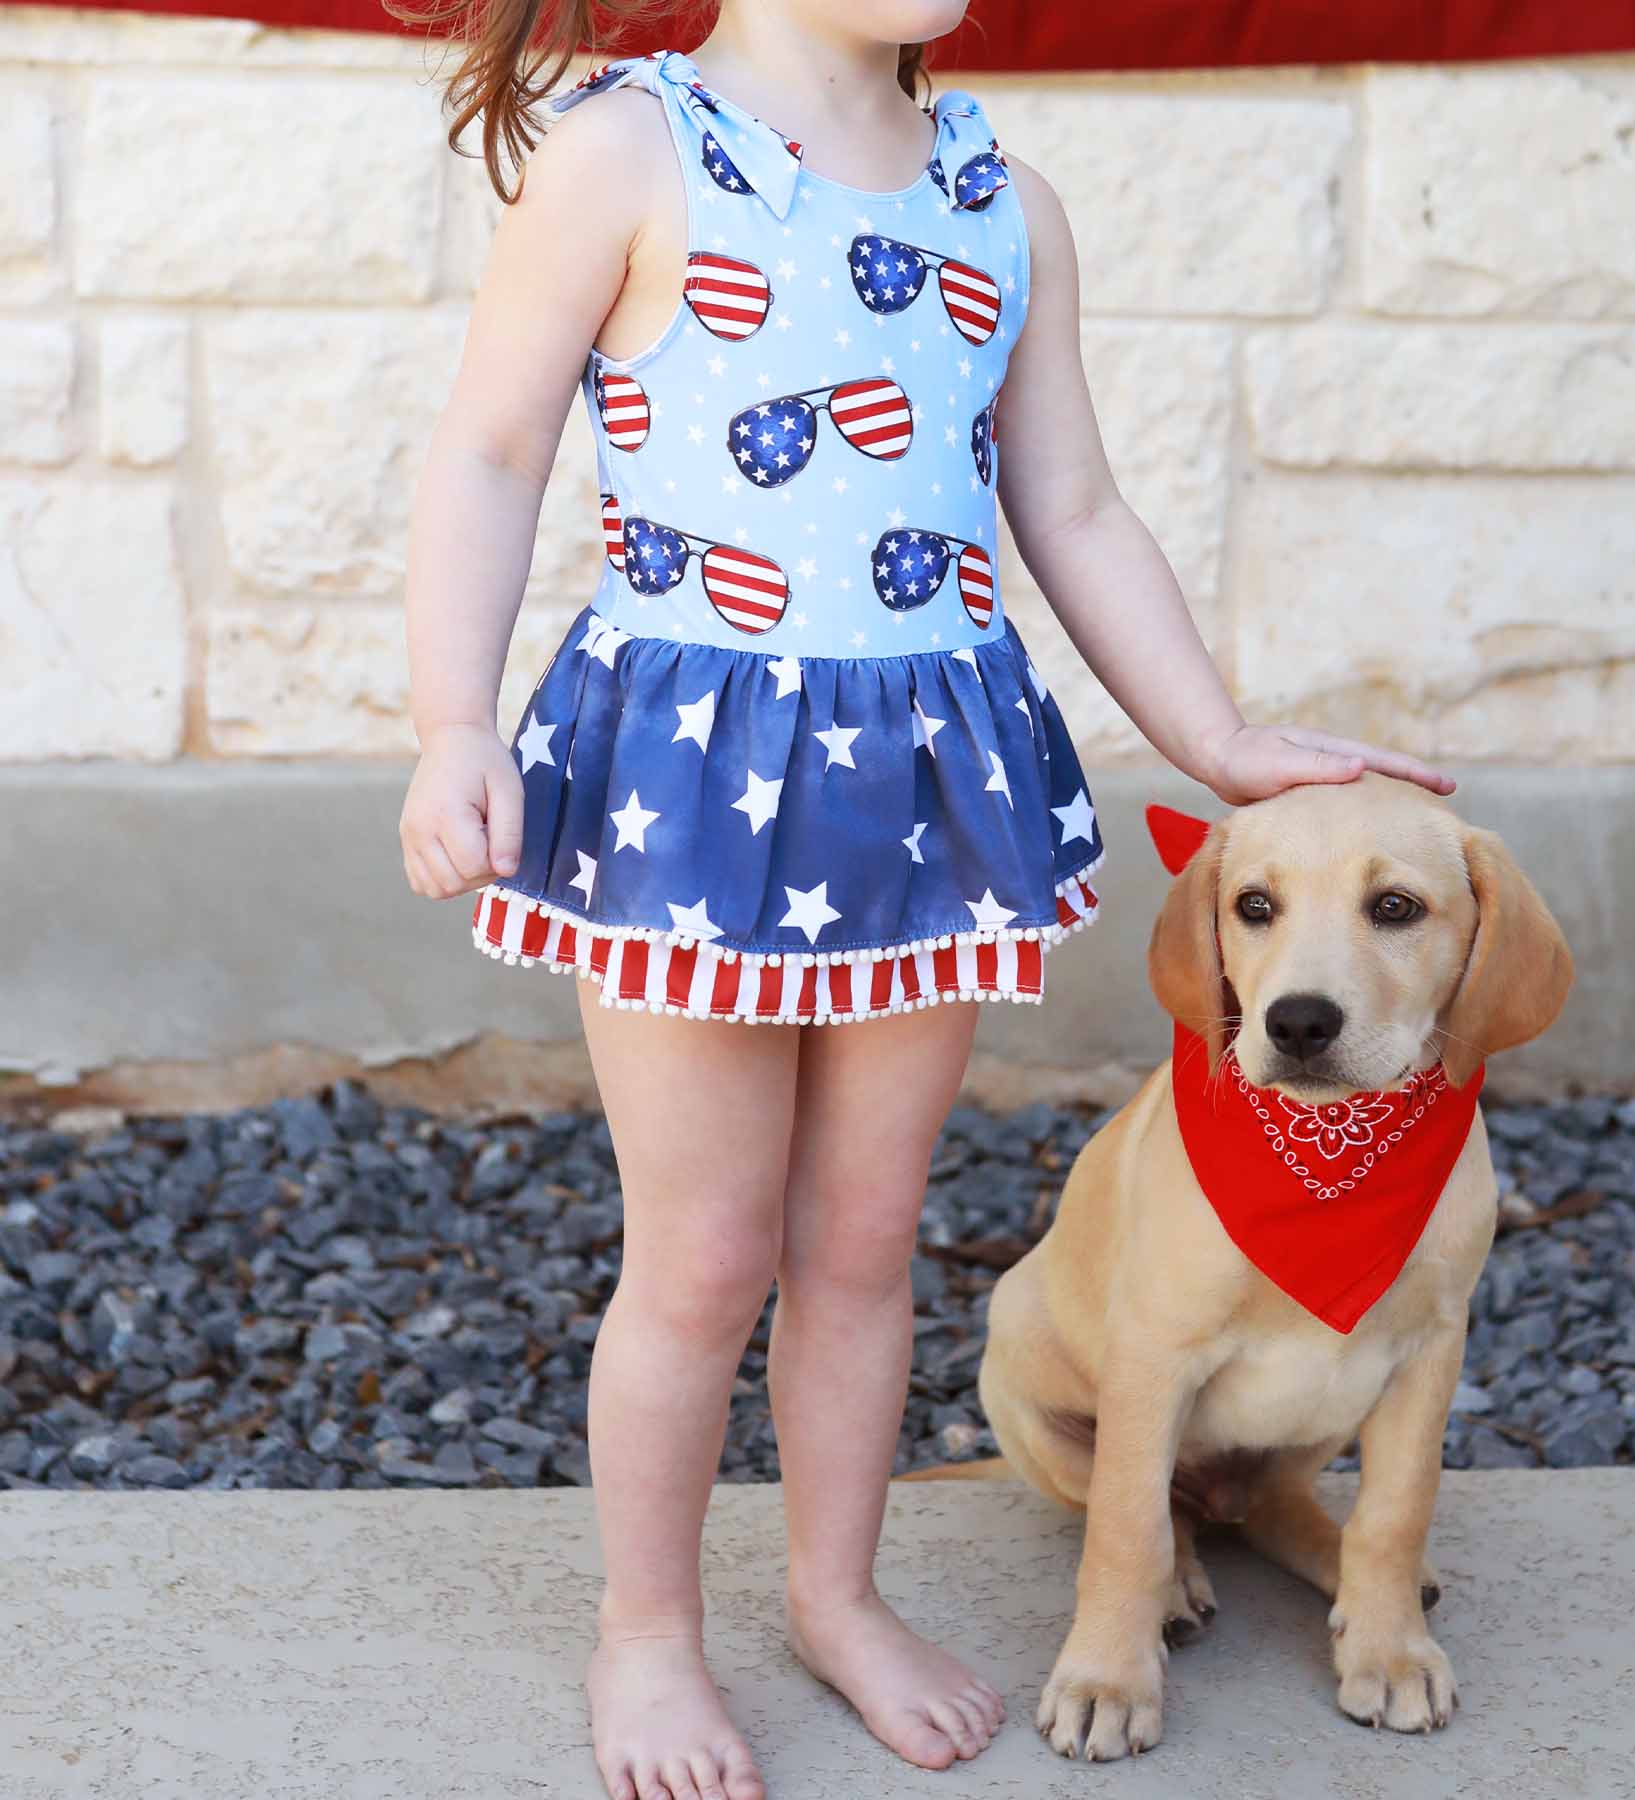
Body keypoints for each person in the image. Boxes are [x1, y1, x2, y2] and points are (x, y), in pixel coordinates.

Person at [395, 4, 1453, 1795]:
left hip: (922, 787)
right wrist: (448, 729)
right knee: (708, 1255)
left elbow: (1078, 508)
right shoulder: (628, 155)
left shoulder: (1002, 196)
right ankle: (645, 1633)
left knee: (865, 1246)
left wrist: (1211, 731)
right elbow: (489, 452)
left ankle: (835, 1593)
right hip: (695, 784)